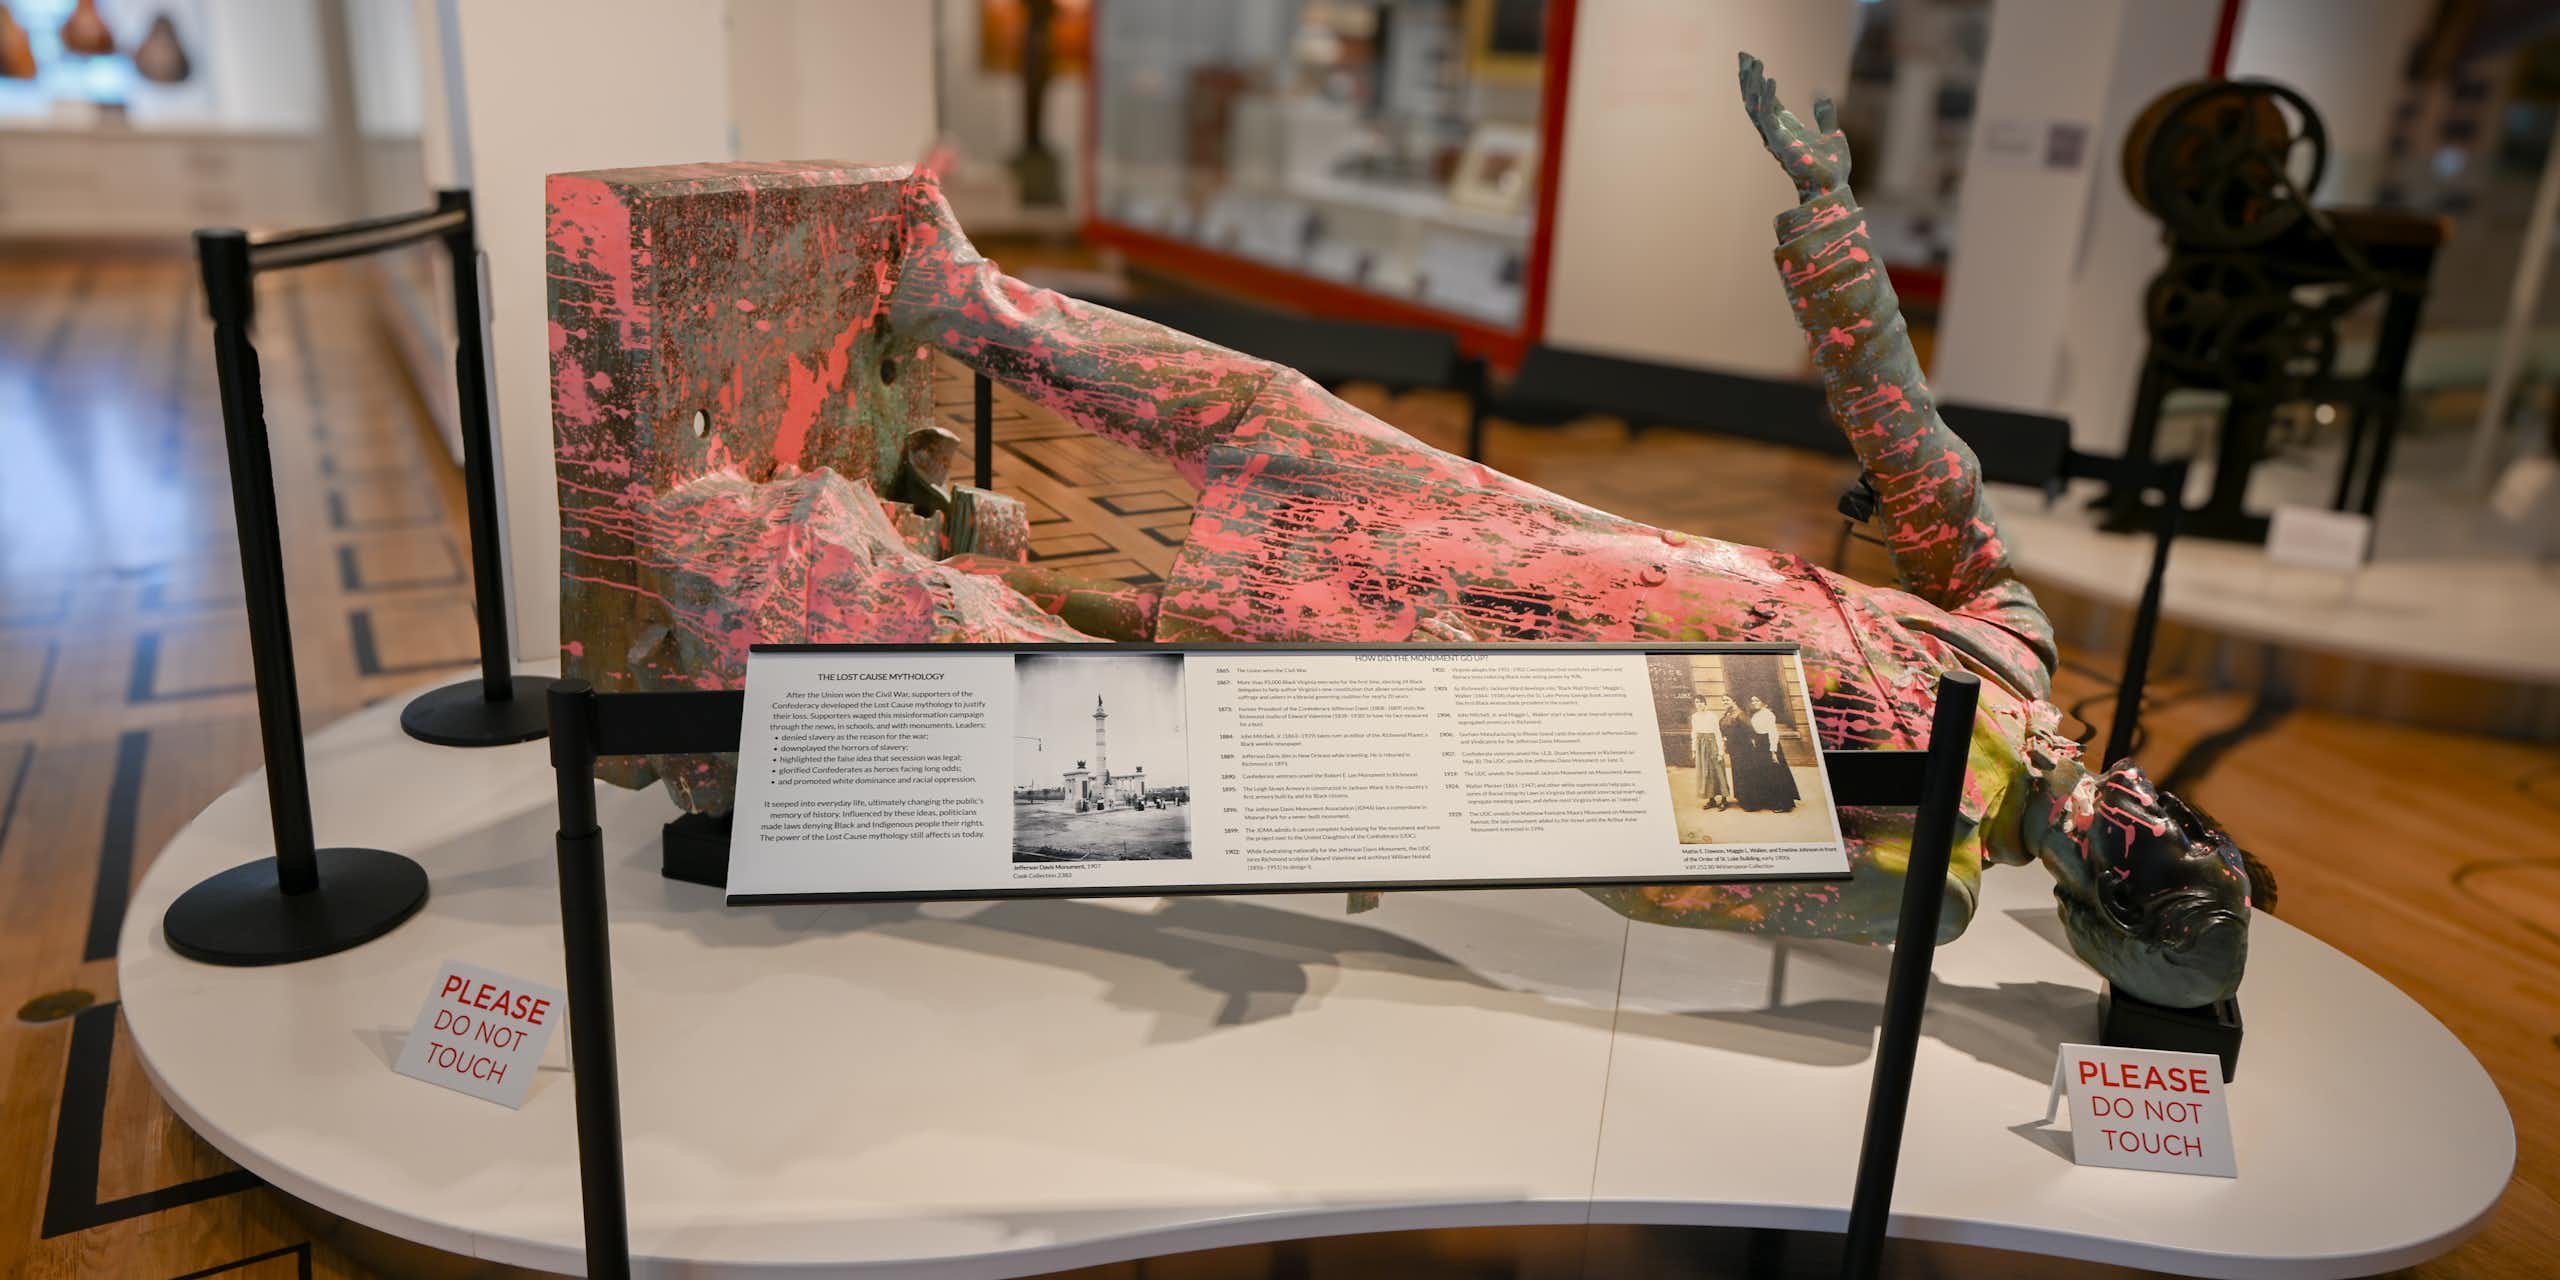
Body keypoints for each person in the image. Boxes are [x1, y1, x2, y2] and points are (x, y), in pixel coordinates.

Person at [1735, 694, 1802, 812]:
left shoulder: (1768, 714)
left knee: (1775, 774)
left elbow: (1772, 732)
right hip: (1759, 745)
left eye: (1757, 700)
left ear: (1763, 702)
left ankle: (1783, 804)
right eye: (1752, 700)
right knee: (1763, 772)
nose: (1754, 702)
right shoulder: (1755, 714)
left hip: (1769, 745)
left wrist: (1773, 751)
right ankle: (1769, 800)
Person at [1689, 698, 1736, 808]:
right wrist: (1694, 750)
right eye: (1696, 702)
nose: (1699, 704)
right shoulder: (1694, 717)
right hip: (1701, 745)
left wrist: (1720, 752)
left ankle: (1724, 799)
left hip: (1712, 743)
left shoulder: (1712, 716)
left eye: (1701, 702)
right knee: (1706, 772)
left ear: (1705, 703)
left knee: (1718, 770)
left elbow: (1717, 733)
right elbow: (1694, 733)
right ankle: (1712, 799)